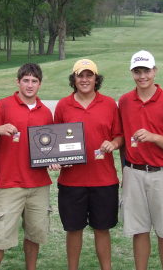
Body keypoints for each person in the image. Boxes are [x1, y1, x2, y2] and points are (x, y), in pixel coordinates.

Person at [118, 50, 163, 270]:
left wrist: (155, 137)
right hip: (133, 172)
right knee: (139, 230)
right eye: (137, 71)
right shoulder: (125, 101)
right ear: (132, 73)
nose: (142, 76)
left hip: (162, 173)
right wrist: (123, 171)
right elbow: (122, 139)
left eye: (146, 70)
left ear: (155, 71)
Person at [0, 63, 54, 270]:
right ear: (18, 82)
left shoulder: (46, 112)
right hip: (9, 183)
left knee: (34, 235)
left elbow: (48, 148)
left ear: (39, 84)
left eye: (34, 81)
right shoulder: (3, 105)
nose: (30, 85)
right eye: (26, 80)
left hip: (38, 184)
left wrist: (53, 160)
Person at [54, 59, 123, 270]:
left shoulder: (109, 104)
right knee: (73, 229)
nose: (84, 79)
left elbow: (119, 136)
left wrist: (112, 143)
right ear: (74, 79)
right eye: (80, 75)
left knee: (102, 229)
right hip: (72, 181)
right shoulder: (63, 105)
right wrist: (56, 160)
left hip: (103, 179)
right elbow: (55, 140)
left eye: (89, 75)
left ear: (96, 79)